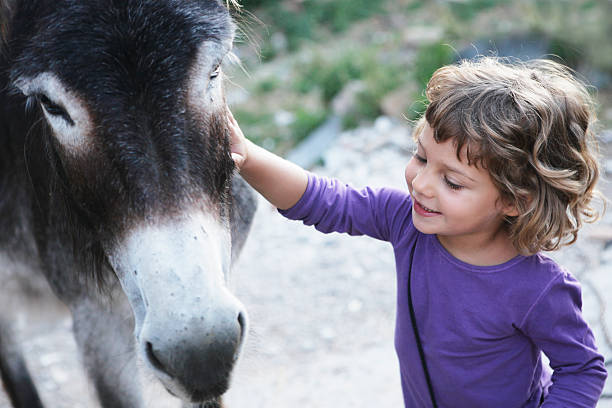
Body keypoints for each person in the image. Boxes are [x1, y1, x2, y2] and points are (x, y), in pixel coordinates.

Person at [226, 57, 608, 407]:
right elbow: (323, 199)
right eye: (421, 158)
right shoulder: (406, 222)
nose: (422, 185)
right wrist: (247, 156)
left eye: (452, 182)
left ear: (515, 200)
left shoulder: (538, 287)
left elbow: (582, 369)